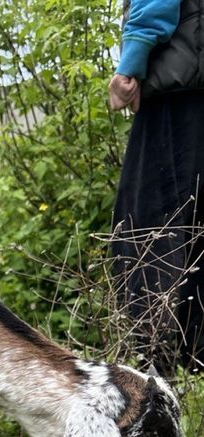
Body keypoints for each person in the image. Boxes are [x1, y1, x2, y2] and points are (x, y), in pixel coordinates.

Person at [109, 0, 204, 372]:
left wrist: (130, 66)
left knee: (146, 233)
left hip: (177, 97)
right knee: (196, 235)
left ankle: (153, 374)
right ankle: (195, 367)